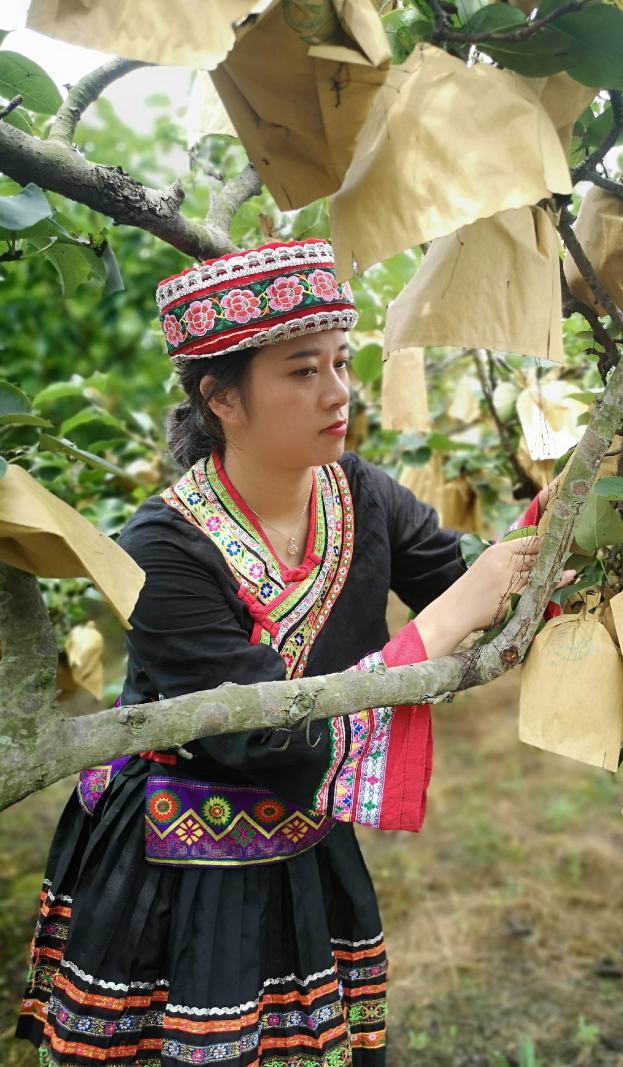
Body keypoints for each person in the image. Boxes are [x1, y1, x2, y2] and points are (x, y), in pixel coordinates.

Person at [17, 237, 573, 1066]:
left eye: (341, 363)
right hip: (179, 855)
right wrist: (462, 606)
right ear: (224, 400)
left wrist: (581, 510)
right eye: (302, 370)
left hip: (306, 834)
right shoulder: (162, 548)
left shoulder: (363, 494)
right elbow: (263, 737)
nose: (338, 392)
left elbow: (487, 588)